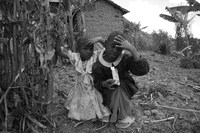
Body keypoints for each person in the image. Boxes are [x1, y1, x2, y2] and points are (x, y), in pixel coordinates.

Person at [92, 31, 150, 128]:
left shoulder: (124, 58)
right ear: (105, 44)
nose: (115, 50)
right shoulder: (98, 64)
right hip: (107, 91)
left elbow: (142, 70)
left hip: (124, 87)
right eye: (112, 46)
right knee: (111, 96)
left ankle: (123, 117)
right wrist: (104, 84)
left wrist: (132, 49)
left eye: (119, 48)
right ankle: (115, 110)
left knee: (119, 89)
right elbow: (96, 81)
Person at [54, 33, 110, 121]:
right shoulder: (75, 57)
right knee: (80, 103)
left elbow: (108, 50)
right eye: (85, 49)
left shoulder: (95, 56)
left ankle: (93, 115)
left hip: (93, 87)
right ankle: (84, 115)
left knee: (95, 101)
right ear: (78, 50)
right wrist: (57, 36)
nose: (89, 51)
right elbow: (59, 52)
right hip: (79, 88)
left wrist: (100, 39)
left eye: (91, 49)